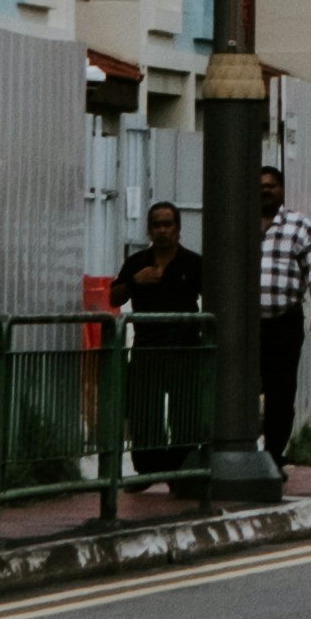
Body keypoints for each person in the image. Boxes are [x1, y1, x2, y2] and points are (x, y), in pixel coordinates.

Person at [107, 196, 199, 478]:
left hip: (185, 349)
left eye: (167, 225)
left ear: (178, 229)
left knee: (184, 414)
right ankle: (148, 471)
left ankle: (180, 472)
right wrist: (137, 281)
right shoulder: (138, 262)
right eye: (156, 225)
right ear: (149, 230)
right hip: (147, 348)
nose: (162, 230)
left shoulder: (193, 262)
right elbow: (113, 296)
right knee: (144, 412)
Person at [256, 166, 311, 467]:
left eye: (271, 186)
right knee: (239, 389)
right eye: (260, 185)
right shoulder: (238, 222)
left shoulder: (298, 225)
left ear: (282, 191)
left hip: (283, 321)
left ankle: (273, 455)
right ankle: (243, 451)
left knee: (281, 391)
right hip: (246, 327)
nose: (265, 190)